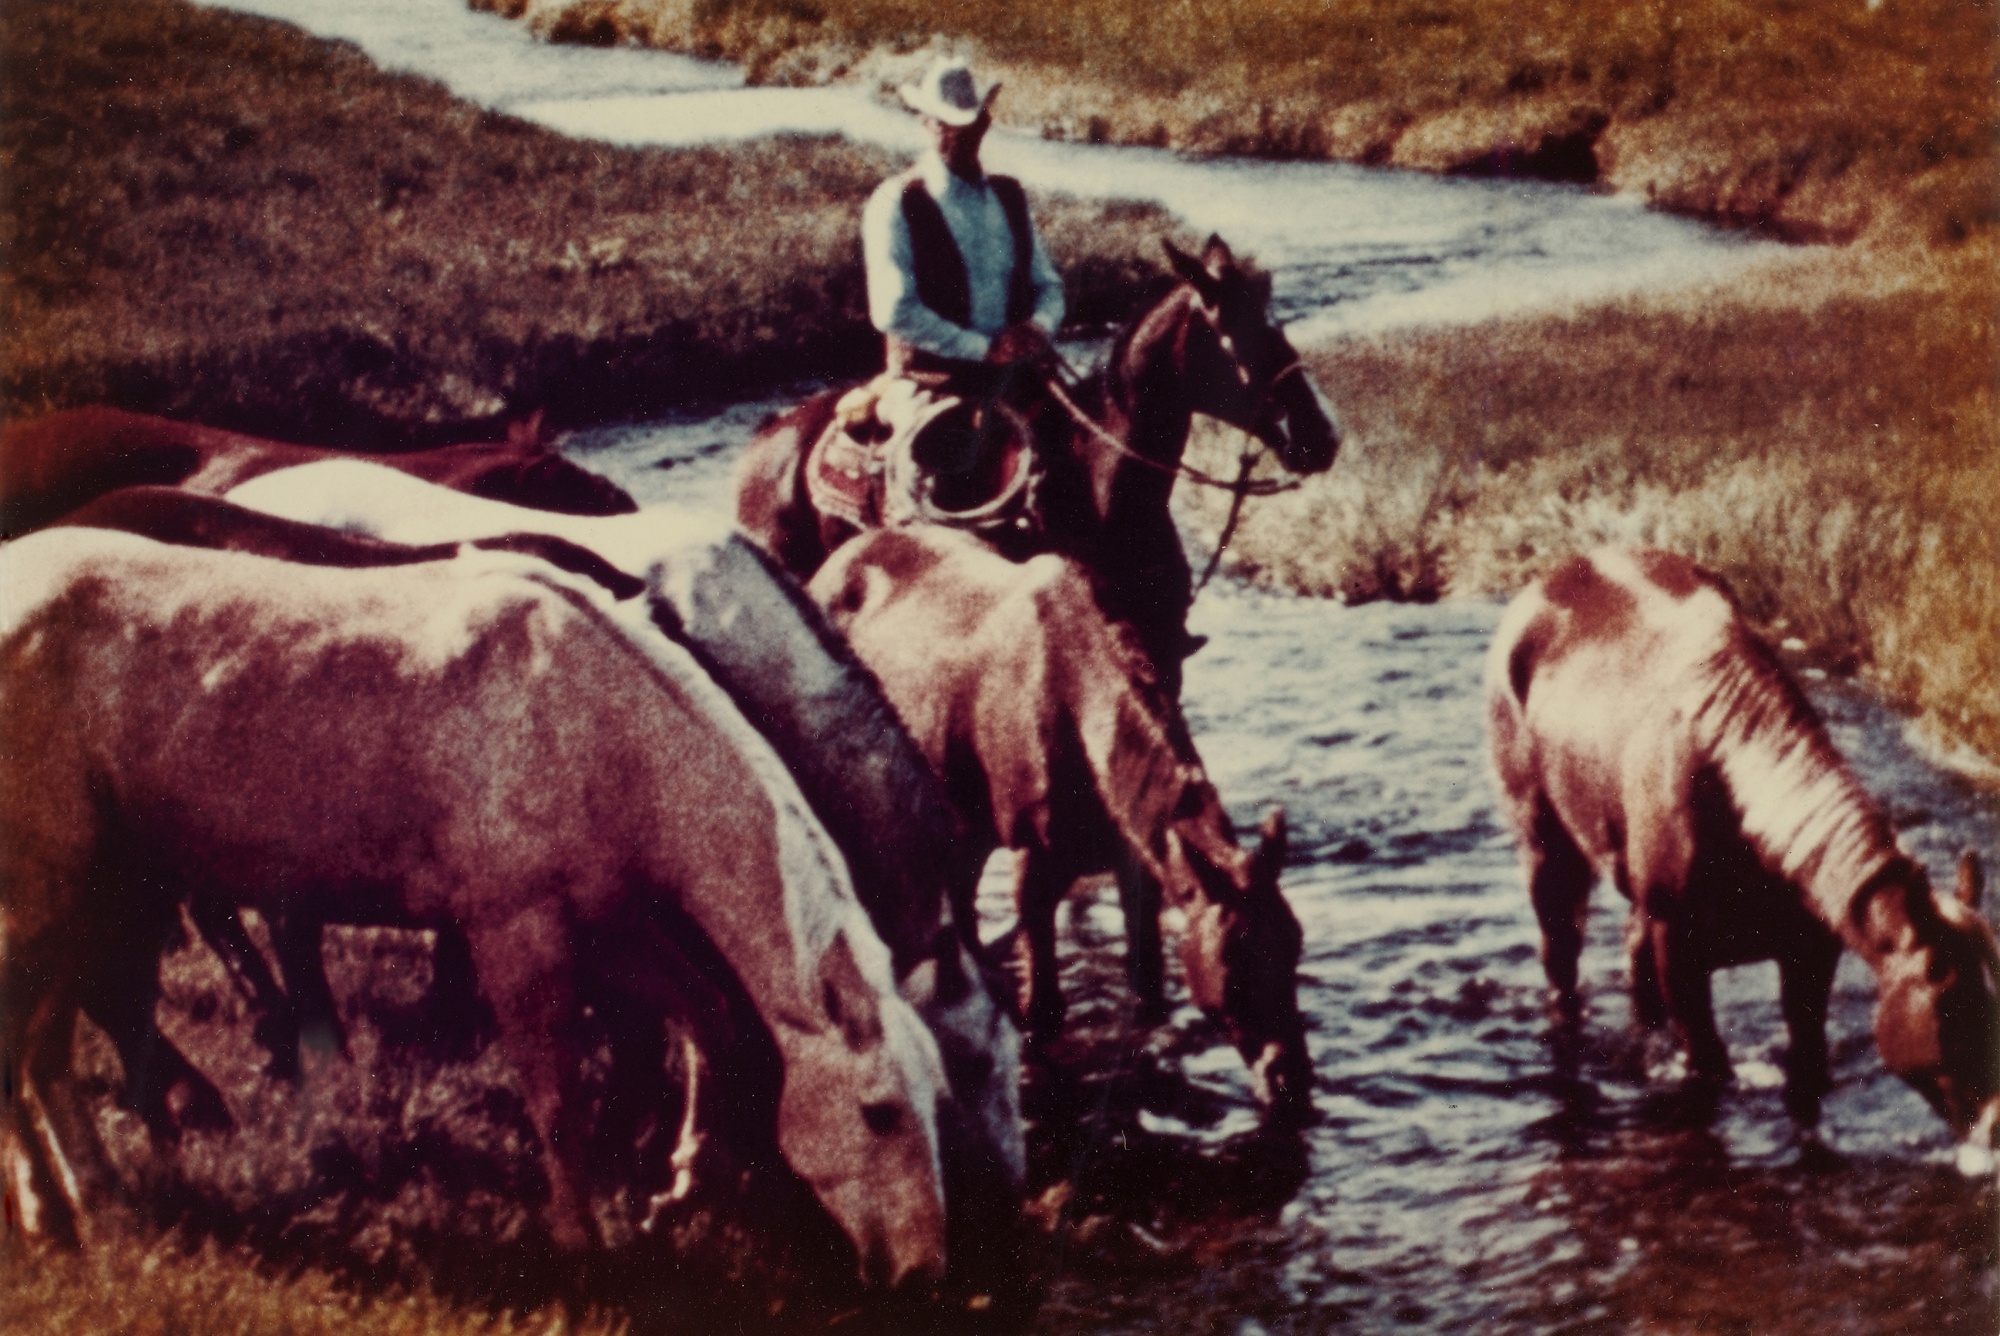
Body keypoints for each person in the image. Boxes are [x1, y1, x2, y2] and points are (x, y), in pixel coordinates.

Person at [848, 56, 1067, 511]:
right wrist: (982, 348)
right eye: (943, 123)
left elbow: (1047, 284)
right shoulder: (896, 202)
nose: (954, 135)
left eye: (966, 125)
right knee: (934, 491)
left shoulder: (1009, 196)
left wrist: (1038, 327)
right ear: (925, 123)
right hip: (933, 378)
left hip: (1016, 374)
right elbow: (893, 310)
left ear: (984, 125)